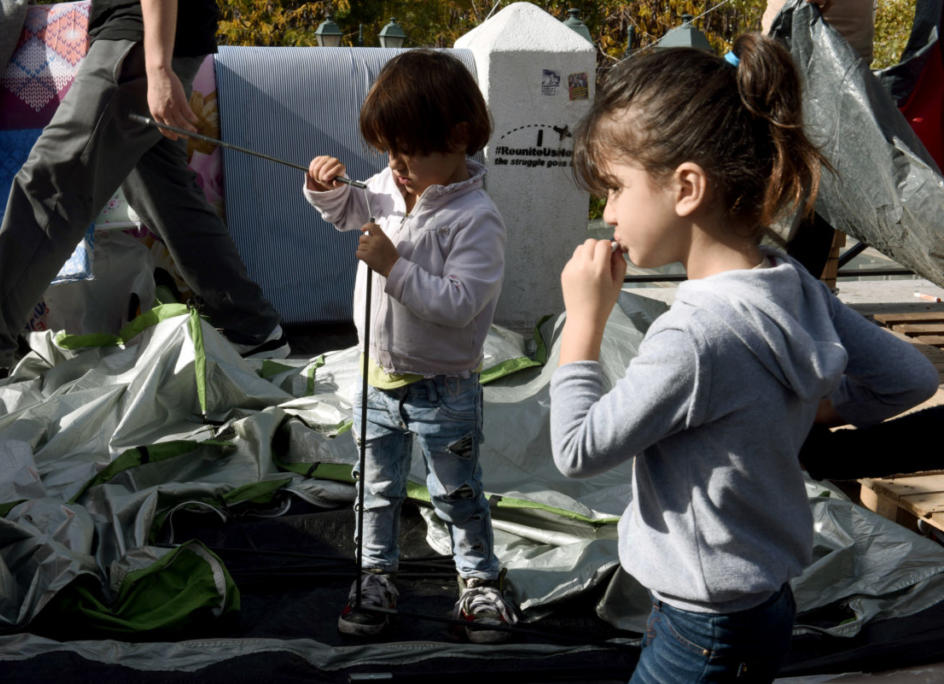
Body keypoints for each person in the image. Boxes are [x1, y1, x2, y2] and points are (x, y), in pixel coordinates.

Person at [549, 34, 939, 683]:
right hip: (767, 604)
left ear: (686, 187)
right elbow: (910, 377)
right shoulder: (791, 282)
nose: (607, 213)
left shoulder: (693, 338)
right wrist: (825, 410)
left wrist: (585, 322)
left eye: (614, 189)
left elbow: (578, 449)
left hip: (700, 624)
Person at [0, 0, 287, 391]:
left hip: (140, 38)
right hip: (153, 37)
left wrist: (158, 65)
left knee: (53, 180)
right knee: (163, 193)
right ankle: (251, 328)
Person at [302, 50, 515, 643]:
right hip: (377, 377)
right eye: (387, 152)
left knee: (458, 491)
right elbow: (348, 211)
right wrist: (323, 186)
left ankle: (480, 581)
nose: (393, 166)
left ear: (458, 138)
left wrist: (393, 267)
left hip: (445, 388)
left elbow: (458, 302)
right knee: (374, 488)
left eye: (406, 152)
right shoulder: (391, 187)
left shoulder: (477, 219)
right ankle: (374, 575)